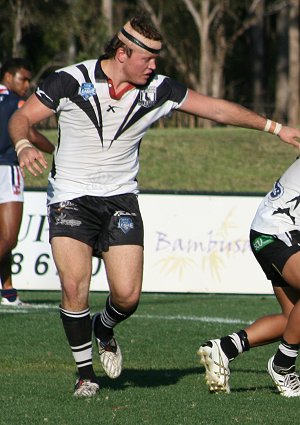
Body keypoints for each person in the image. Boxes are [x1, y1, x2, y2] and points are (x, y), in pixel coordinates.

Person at [8, 15, 300, 398]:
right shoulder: (70, 79)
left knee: (127, 297)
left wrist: (274, 128)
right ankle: (85, 375)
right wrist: (24, 144)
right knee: (74, 286)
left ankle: (105, 328)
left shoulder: (159, 90)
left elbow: (214, 109)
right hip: (69, 198)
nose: (154, 66)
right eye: (148, 58)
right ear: (123, 52)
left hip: (120, 200)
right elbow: (22, 117)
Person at [198, 156, 300, 397]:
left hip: (271, 230)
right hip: (279, 232)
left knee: (292, 318)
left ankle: (224, 349)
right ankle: (283, 367)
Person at [0, 58, 54, 306]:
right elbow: (29, 133)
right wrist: (55, 148)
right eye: (23, 78)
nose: (28, 84)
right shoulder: (16, 103)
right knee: (9, 238)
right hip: (6, 169)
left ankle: (8, 292)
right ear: (8, 78)